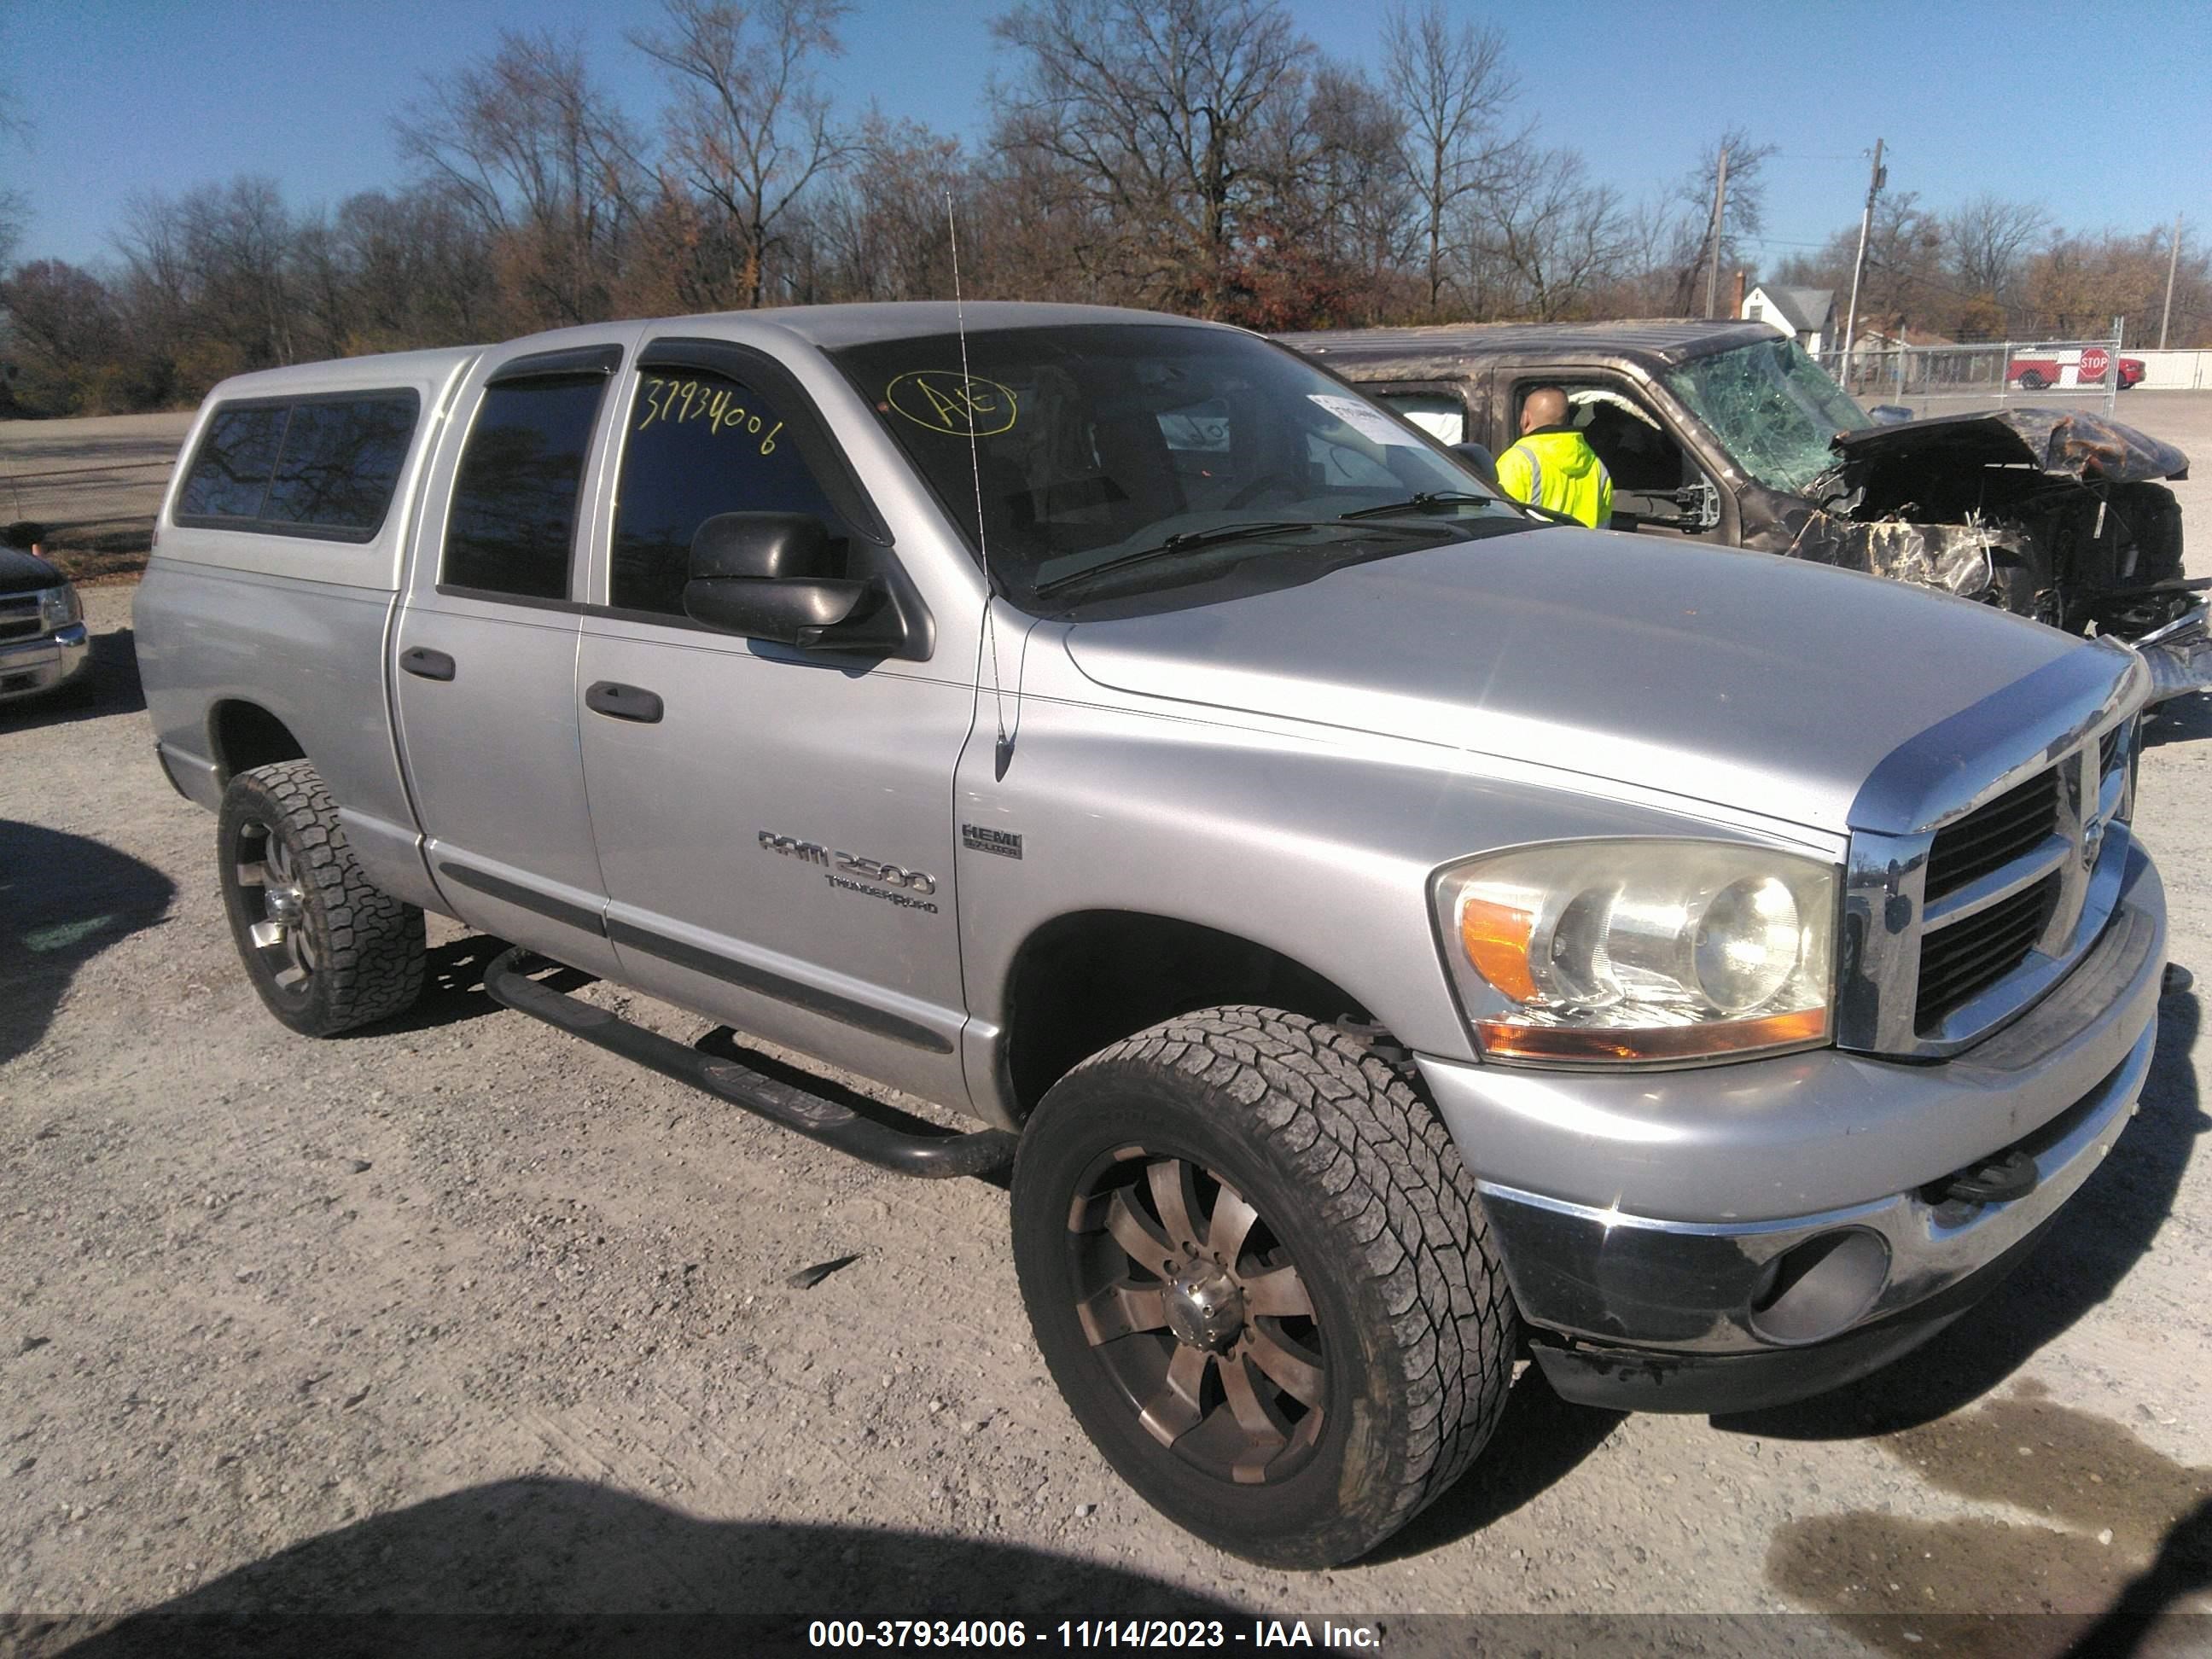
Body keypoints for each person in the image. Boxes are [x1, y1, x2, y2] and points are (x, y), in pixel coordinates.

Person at [1495, 387, 1614, 528]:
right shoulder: (1597, 466)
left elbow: (1499, 521)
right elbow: (1603, 528)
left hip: (1534, 550)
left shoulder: (1517, 461)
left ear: (1525, 419)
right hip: (1583, 549)